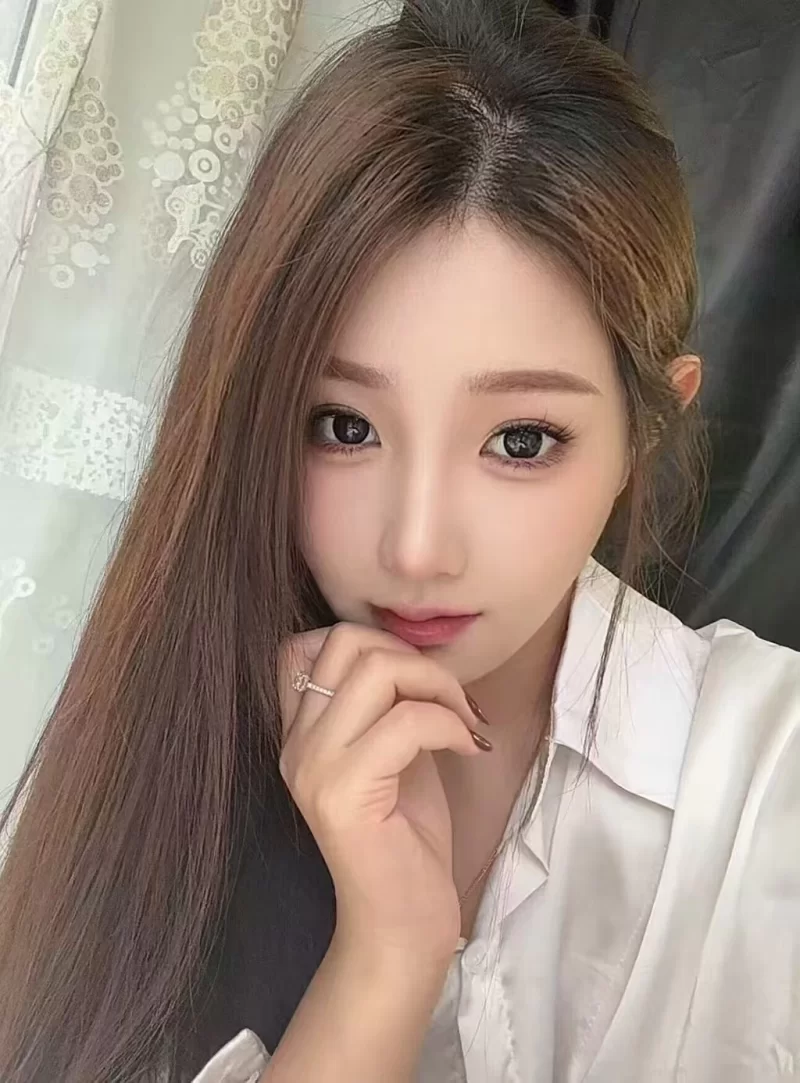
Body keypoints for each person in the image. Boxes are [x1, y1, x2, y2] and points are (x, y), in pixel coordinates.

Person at [1, 2, 798, 1081]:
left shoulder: (767, 786)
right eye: (344, 427)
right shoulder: (158, 751)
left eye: (521, 440)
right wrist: (385, 956)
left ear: (644, 431)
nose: (416, 549)